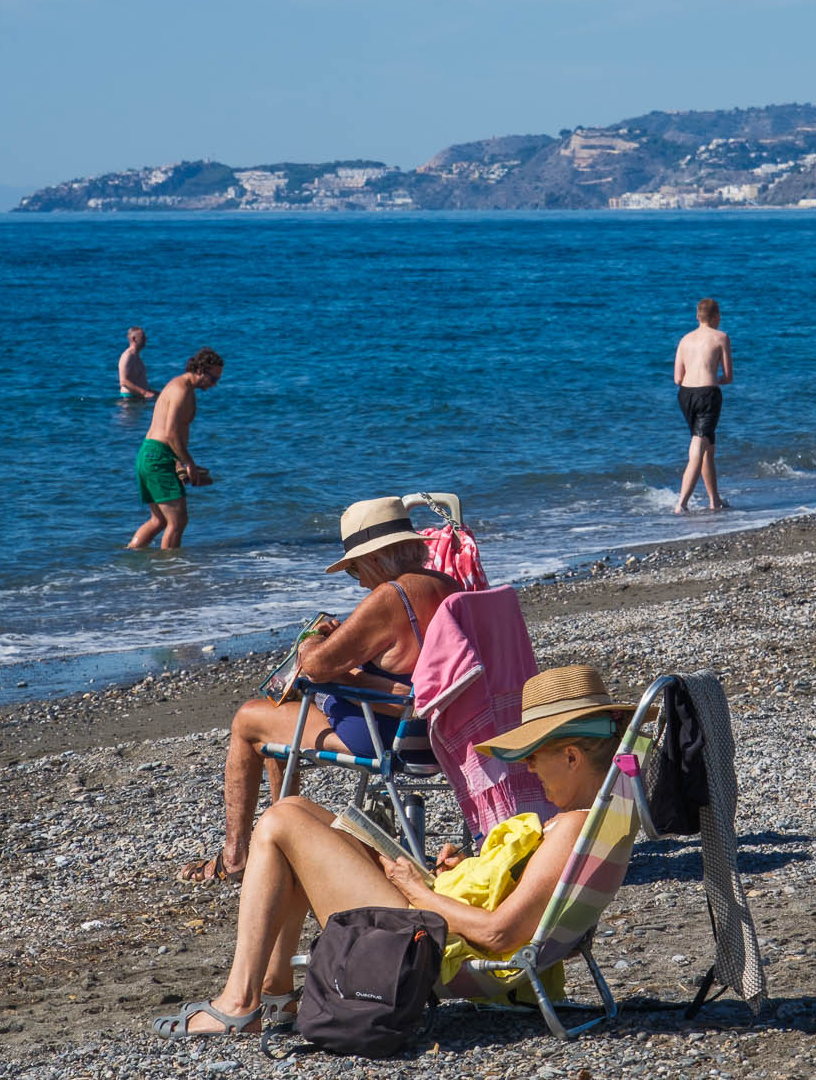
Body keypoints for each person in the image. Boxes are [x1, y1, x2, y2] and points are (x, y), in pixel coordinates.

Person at [151, 665, 630, 1036]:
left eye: (533, 753)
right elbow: (522, 903)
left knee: (282, 820)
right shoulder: (595, 824)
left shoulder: (571, 830)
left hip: (425, 946)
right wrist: (472, 871)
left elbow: (502, 933)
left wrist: (414, 889)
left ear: (571, 756)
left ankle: (240, 1003)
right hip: (434, 922)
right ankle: (274, 989)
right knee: (309, 816)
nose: (527, 766)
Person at [179, 498, 461, 883]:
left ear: (376, 558)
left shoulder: (390, 595)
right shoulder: (450, 587)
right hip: (441, 735)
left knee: (250, 720)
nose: (359, 581)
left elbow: (314, 664)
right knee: (279, 717)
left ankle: (238, 857)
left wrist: (312, 638)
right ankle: (279, 843)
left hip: (386, 739)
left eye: (355, 569)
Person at [128, 348, 223, 551]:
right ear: (200, 369)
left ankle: (129, 558)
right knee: (177, 521)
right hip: (158, 457)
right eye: (213, 378)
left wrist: (178, 461)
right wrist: (189, 463)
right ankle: (170, 572)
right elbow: (170, 433)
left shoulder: (181, 387)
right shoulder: (181, 389)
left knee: (159, 520)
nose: (215, 384)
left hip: (151, 455)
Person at [673, 297, 733, 513]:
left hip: (685, 395)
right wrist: (712, 381)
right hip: (708, 395)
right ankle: (682, 503)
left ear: (697, 317)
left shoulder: (684, 339)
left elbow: (677, 378)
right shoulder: (721, 337)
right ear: (716, 317)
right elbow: (727, 376)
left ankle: (714, 500)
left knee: (708, 447)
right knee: (698, 446)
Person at [118, 326, 157, 400]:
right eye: (143, 337)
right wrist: (144, 393)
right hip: (129, 400)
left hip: (138, 399)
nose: (145, 339)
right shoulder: (127, 356)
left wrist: (155, 393)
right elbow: (123, 381)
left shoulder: (136, 356)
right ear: (134, 339)